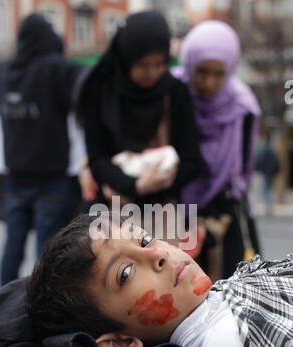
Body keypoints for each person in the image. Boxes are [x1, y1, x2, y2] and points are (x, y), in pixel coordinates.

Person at [27, 213, 293, 347]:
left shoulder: (217, 303)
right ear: (120, 343)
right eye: (125, 273)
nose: (157, 254)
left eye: (144, 240)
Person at [77, 11, 205, 222]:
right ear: (127, 58)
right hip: (109, 212)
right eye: (143, 64)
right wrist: (133, 185)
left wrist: (155, 183)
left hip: (161, 213)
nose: (152, 73)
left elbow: (192, 161)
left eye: (159, 64)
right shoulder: (100, 90)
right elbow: (97, 158)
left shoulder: (174, 91)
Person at [0, 14, 84, 286]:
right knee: (48, 251)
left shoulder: (4, 71)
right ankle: (40, 311)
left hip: (16, 177)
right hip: (50, 179)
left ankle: (0, 304)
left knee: (13, 244)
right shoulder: (53, 69)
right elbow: (86, 78)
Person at [172, 21, 262, 280]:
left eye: (218, 73)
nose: (208, 82)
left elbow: (243, 169)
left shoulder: (242, 106)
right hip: (175, 210)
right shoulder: (173, 93)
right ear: (189, 64)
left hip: (224, 214)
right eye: (201, 71)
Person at [256, 131, 280, 216]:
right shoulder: (270, 148)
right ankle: (269, 208)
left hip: (266, 172)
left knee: (266, 191)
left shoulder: (266, 148)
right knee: (267, 190)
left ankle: (269, 209)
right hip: (268, 172)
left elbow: (262, 161)